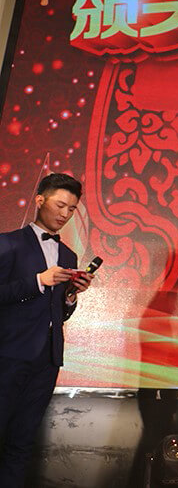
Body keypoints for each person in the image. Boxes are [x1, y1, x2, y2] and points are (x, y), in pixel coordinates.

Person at [0, 173, 94, 487]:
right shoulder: (8, 243)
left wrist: (70, 296)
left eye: (72, 209)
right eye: (60, 205)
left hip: (47, 360)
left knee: (23, 441)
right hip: (8, 355)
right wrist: (39, 281)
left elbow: (58, 313)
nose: (65, 214)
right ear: (40, 200)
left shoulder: (68, 255)